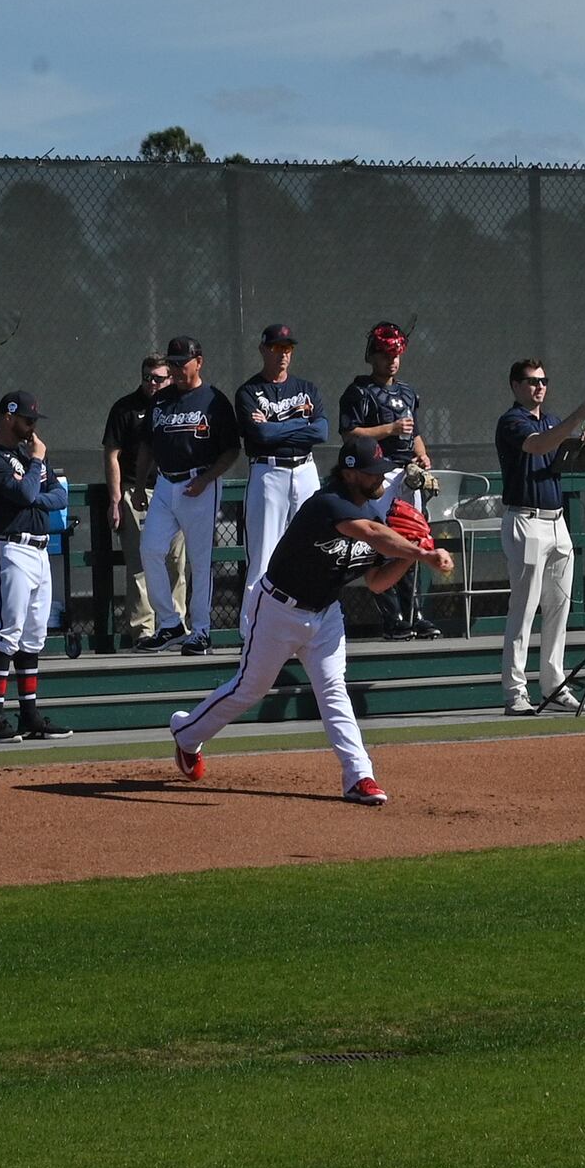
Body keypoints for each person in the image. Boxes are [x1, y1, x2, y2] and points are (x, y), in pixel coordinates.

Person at [169, 440, 442, 806]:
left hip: (326, 614)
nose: (379, 477)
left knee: (333, 691)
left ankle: (359, 776)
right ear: (348, 473)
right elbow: (372, 536)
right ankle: (187, 733)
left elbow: (377, 582)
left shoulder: (376, 519)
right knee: (249, 689)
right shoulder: (327, 503)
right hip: (279, 609)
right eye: (371, 471)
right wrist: (421, 552)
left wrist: (408, 556)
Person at [495, 359, 585, 715]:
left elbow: (570, 463)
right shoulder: (512, 421)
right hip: (524, 520)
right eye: (529, 381)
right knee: (524, 609)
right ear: (515, 386)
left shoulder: (553, 419)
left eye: (542, 381)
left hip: (556, 521)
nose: (538, 387)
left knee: (559, 606)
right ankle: (515, 692)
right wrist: (578, 417)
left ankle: (554, 685)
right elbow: (538, 446)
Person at [0, 391, 75, 740]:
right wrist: (36, 467)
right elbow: (26, 495)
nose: (32, 428)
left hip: (40, 550)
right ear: (8, 417)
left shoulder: (25, 456)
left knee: (34, 637)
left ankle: (29, 716)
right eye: (27, 420)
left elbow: (58, 496)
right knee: (7, 635)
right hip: (9, 550)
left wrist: (33, 483)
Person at [136, 335, 243, 653]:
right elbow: (147, 445)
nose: (178, 368)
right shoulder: (161, 399)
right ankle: (169, 624)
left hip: (200, 483)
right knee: (150, 549)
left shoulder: (213, 400)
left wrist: (208, 478)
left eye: (183, 363)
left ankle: (201, 630)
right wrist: (141, 484)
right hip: (166, 485)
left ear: (199, 361)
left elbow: (231, 450)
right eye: (173, 363)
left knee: (200, 560)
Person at [339, 322, 435, 636]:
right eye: (386, 354)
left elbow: (415, 434)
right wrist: (389, 430)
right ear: (373, 356)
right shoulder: (359, 391)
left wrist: (423, 458)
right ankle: (392, 618)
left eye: (397, 354)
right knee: (386, 543)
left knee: (414, 539)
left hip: (408, 476)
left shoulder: (407, 391)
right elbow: (349, 434)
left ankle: (414, 613)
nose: (392, 360)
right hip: (378, 475)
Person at [233, 323, 328, 589]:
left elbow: (321, 432)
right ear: (263, 349)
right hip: (268, 472)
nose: (282, 354)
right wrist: (301, 424)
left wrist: (274, 427)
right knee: (263, 557)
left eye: (287, 348)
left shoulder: (307, 388)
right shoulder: (248, 392)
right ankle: (250, 629)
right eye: (276, 348)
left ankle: (304, 625)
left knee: (312, 549)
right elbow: (261, 437)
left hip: (306, 471)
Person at [100, 351, 180, 652]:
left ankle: (175, 627)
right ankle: (143, 631)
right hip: (137, 492)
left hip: (175, 491)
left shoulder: (177, 405)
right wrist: (116, 499)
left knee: (176, 561)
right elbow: (112, 455)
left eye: (158, 378)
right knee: (140, 563)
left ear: (170, 377)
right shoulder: (125, 409)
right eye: (147, 378)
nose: (152, 384)